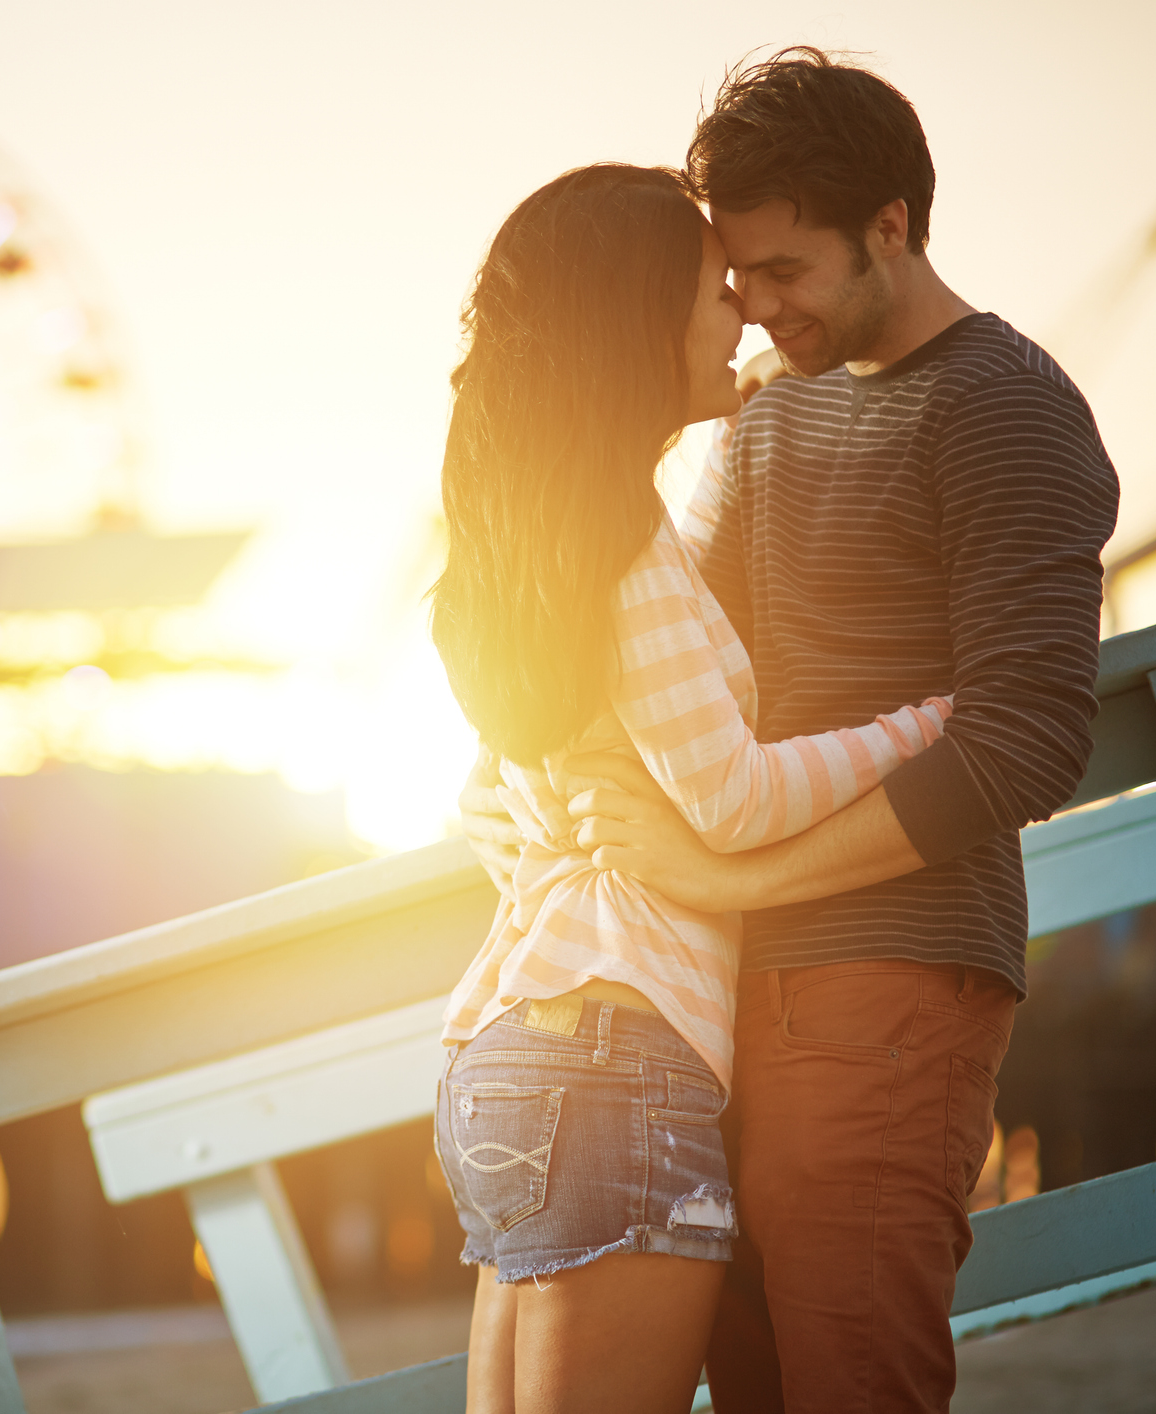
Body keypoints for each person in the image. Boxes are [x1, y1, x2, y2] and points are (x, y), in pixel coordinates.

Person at [463, 50, 1120, 1412]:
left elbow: (1026, 739)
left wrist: (728, 875)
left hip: (889, 979)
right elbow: (648, 648)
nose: (755, 311)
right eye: (735, 278)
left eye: (783, 271)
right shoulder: (765, 418)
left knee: (846, 1378)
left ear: (890, 223)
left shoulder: (1005, 406)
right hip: (712, 1001)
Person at [428, 161, 958, 1414]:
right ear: (640, 327)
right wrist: (928, 722)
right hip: (618, 1056)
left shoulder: (529, 546)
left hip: (507, 1050)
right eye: (717, 293)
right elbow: (728, 796)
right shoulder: (623, 542)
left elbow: (492, 804)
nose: (745, 317)